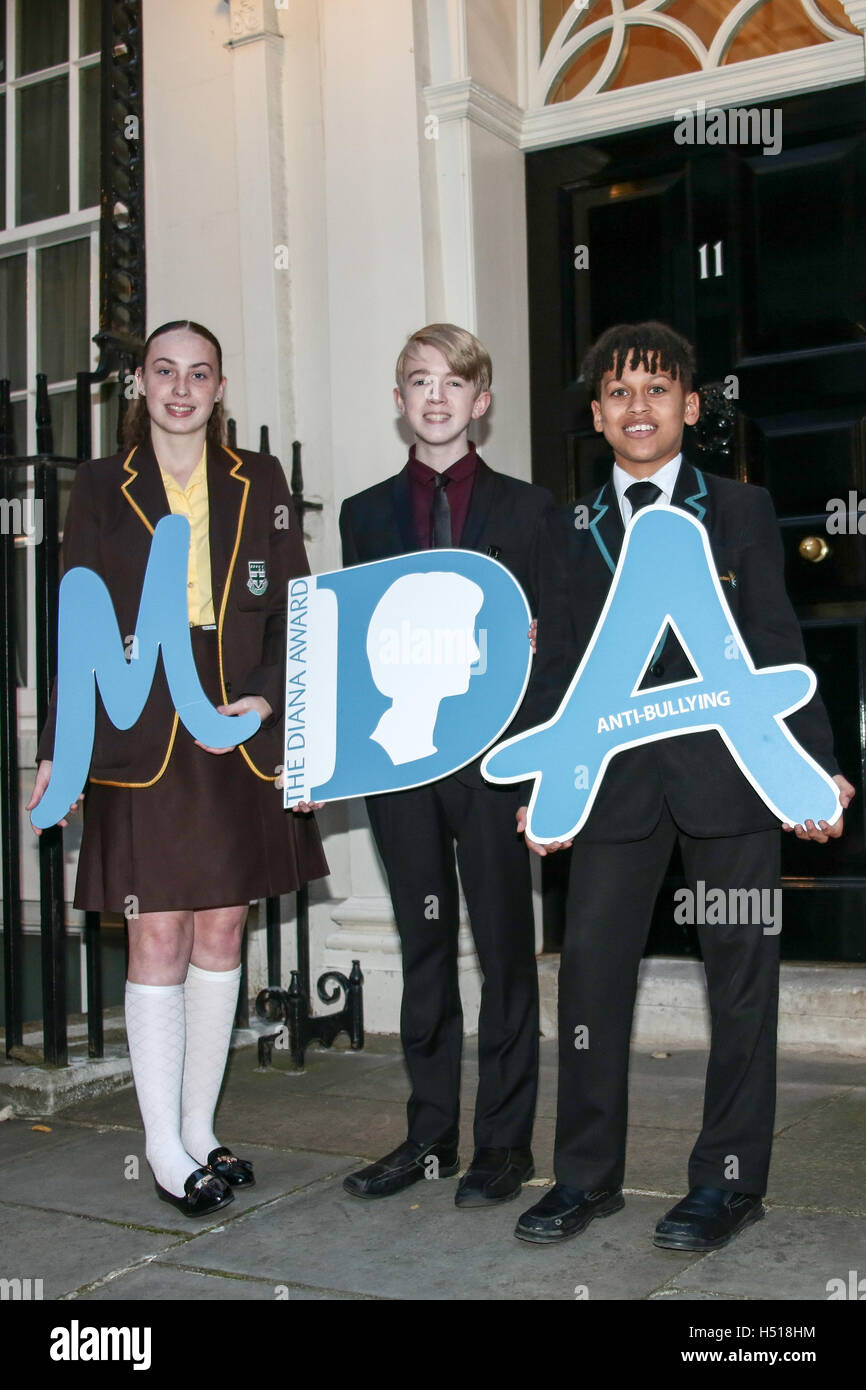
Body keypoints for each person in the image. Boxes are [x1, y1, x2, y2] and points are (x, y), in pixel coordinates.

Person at [513, 321, 854, 1249]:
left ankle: (730, 1182)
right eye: (619, 392)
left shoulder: (740, 509)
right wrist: (547, 783)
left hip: (730, 783)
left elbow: (780, 645)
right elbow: (557, 676)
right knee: (589, 983)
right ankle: (584, 1177)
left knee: (742, 980)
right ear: (596, 415)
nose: (638, 407)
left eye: (656, 390)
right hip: (615, 789)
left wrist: (815, 771)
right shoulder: (564, 526)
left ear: (690, 408)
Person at [28, 320, 328, 1218]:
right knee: (156, 932)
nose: (181, 389)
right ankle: (160, 1145)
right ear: (141, 385)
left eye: (199, 373)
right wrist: (63, 745)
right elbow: (73, 615)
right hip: (138, 725)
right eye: (164, 372)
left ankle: (199, 1129)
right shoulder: (97, 486)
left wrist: (271, 704)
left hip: (232, 727)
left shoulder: (259, 481)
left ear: (220, 385)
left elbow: (298, 607)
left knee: (224, 932)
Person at [338, 323, 554, 1206]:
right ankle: (429, 1138)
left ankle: (504, 1145)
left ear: (481, 401)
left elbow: (558, 648)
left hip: (496, 764)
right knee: (424, 948)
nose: (436, 397)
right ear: (400, 403)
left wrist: (543, 770)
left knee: (506, 952)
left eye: (453, 383)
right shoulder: (363, 515)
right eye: (418, 382)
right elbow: (354, 648)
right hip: (401, 768)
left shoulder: (535, 512)